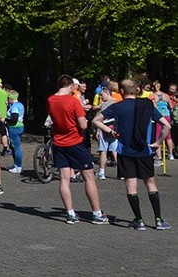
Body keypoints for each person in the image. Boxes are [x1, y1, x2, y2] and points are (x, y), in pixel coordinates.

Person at [94, 79, 172, 230]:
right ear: (136, 90)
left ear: (121, 92)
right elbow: (166, 125)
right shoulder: (146, 105)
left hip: (125, 151)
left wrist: (110, 131)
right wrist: (157, 142)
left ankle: (139, 220)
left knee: (131, 186)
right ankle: (158, 220)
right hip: (144, 150)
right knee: (150, 184)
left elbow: (96, 120)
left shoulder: (117, 107)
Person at [46, 74, 108, 225]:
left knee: (64, 178)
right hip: (75, 142)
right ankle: (97, 213)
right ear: (70, 86)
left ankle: (70, 213)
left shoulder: (50, 100)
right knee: (89, 177)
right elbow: (83, 125)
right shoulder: (73, 101)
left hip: (59, 143)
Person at [95, 91, 119, 179]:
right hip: (114, 128)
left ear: (107, 93)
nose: (101, 97)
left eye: (102, 94)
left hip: (105, 128)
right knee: (115, 150)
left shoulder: (104, 104)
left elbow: (101, 118)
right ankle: (121, 172)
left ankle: (101, 172)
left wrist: (98, 130)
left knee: (103, 150)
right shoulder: (116, 103)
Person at [6, 90, 25, 173]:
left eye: (8, 98)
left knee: (16, 147)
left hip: (14, 127)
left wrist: (5, 119)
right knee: (14, 147)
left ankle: (18, 166)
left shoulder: (14, 107)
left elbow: (14, 119)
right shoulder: (20, 104)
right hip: (20, 126)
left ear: (11, 98)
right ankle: (16, 164)